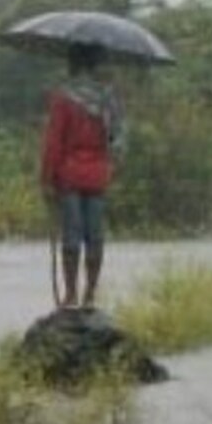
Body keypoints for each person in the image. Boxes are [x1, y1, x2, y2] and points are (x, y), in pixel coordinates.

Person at [41, 44, 124, 310]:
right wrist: (110, 166)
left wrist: (46, 178)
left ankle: (71, 294)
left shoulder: (63, 98)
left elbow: (54, 142)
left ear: (73, 64)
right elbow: (118, 139)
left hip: (69, 175)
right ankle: (90, 294)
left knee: (71, 236)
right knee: (95, 236)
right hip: (98, 175)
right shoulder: (108, 98)